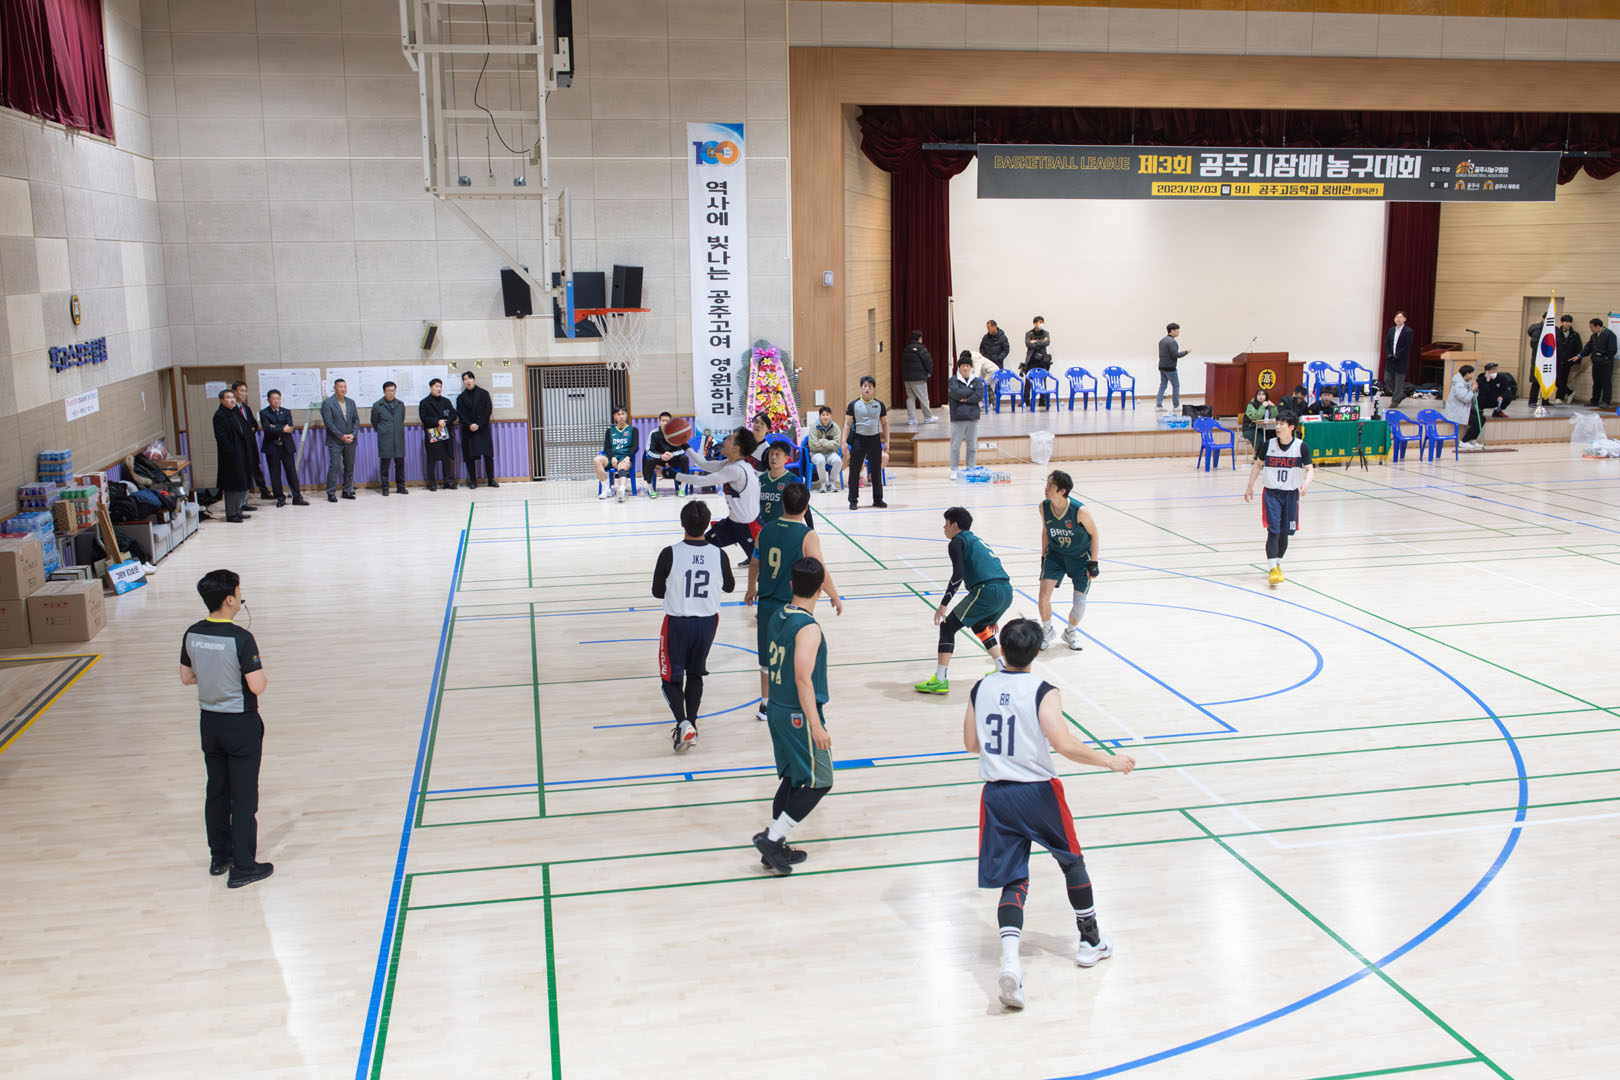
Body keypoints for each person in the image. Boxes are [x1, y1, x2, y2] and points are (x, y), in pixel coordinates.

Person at [964, 618, 1134, 1010]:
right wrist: (1108, 760)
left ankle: (1010, 965)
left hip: (996, 795)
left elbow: (971, 743)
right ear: (1035, 651)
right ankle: (1090, 940)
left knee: (1014, 879)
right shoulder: (1043, 691)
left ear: (1003, 647)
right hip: (1038, 792)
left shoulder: (980, 687)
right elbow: (1063, 743)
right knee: (1071, 861)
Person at [179, 569, 273, 888]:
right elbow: (256, 686)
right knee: (244, 797)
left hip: (210, 722)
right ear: (230, 599)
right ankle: (244, 866)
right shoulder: (241, 639)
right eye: (239, 591)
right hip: (240, 724)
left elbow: (186, 677)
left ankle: (220, 857)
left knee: (217, 791)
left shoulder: (192, 633)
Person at [753, 556, 835, 876]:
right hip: (797, 714)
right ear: (820, 588)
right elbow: (803, 679)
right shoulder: (809, 628)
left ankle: (775, 846)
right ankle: (772, 839)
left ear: (791, 584)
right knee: (820, 781)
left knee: (792, 779)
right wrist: (815, 724)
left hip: (776, 707)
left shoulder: (778, 614)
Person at [747, 482, 841, 726]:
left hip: (766, 604)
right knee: (797, 658)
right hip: (792, 606)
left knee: (767, 657)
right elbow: (820, 569)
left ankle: (765, 703)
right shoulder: (807, 535)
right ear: (806, 507)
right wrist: (834, 594)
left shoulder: (764, 531)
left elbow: (755, 563)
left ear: (782, 503)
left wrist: (750, 588)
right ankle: (795, 701)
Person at [652, 499, 732, 753]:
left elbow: (657, 592)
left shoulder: (670, 553)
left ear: (682, 523)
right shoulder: (719, 554)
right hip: (708, 622)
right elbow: (729, 586)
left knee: (670, 678)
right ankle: (692, 725)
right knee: (695, 674)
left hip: (678, 622)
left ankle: (683, 722)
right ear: (708, 524)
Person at [915, 507, 1013, 694]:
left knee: (947, 627)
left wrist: (943, 604)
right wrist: (993, 610)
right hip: (1005, 590)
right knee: (978, 624)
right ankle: (1001, 667)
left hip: (987, 590)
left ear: (955, 525)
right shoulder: (977, 540)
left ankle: (940, 679)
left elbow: (958, 575)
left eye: (946, 523)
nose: (944, 527)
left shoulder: (956, 542)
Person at [1244, 413, 1314, 588]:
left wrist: (1306, 484)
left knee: (1285, 533)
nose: (1277, 427)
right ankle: (1272, 569)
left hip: (1291, 495)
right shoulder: (1268, 445)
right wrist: (1250, 486)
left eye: (1282, 424)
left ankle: (1277, 563)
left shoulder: (1301, 447)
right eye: (1277, 423)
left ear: (1291, 427)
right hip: (1272, 494)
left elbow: (1310, 469)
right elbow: (1258, 465)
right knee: (1273, 530)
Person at [675, 426, 761, 566]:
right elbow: (703, 464)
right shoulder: (729, 463)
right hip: (732, 523)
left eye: (730, 439)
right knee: (704, 544)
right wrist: (686, 446)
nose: (725, 440)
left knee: (760, 568)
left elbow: (702, 481)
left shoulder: (736, 469)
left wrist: (674, 475)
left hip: (748, 527)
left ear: (736, 448)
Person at [1036, 471, 1100, 653]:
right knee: (1043, 597)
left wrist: (1094, 563)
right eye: (1047, 484)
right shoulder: (1043, 507)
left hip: (1080, 558)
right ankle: (1047, 631)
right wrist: (1043, 556)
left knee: (1079, 603)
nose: (1046, 488)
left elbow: (1094, 533)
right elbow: (1045, 530)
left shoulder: (1080, 511)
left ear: (1062, 490)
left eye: (1050, 485)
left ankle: (1070, 632)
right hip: (1055, 556)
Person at [845, 375, 888, 509]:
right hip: (859, 439)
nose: (867, 389)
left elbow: (885, 424)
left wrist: (887, 441)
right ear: (861, 388)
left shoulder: (879, 405)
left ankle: (878, 499)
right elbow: (847, 424)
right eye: (864, 386)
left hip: (874, 439)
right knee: (854, 470)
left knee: (876, 470)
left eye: (869, 386)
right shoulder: (853, 404)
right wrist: (843, 442)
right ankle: (853, 500)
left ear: (873, 389)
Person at [258, 389, 307, 507]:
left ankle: (297, 497)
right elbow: (267, 429)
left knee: (291, 473)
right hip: (272, 447)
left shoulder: (286, 411)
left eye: (278, 399)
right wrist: (282, 428)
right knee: (275, 474)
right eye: (273, 399)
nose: (276, 401)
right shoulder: (264, 413)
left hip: (286, 446)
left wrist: (275, 427)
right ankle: (280, 498)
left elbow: (290, 427)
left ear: (280, 400)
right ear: (268, 400)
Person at [213, 389, 255, 523]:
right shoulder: (220, 415)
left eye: (233, 397)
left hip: (242, 453)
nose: (232, 400)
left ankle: (238, 510)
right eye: (228, 398)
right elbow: (221, 438)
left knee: (242, 484)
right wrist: (232, 451)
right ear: (221, 400)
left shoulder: (235, 412)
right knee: (232, 486)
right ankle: (231, 514)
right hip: (230, 456)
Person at [757, 440, 814, 531]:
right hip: (762, 528)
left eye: (777, 454)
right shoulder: (760, 479)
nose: (773, 457)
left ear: (786, 459)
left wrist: (811, 529)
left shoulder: (793, 480)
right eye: (771, 454)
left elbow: (805, 505)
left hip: (784, 529)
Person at [231, 381, 272, 502]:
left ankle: (264, 491)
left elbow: (254, 423)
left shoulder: (245, 408)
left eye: (245, 391)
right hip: (240, 446)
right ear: (234, 392)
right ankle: (243, 500)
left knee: (256, 468)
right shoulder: (232, 409)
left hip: (250, 443)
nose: (244, 394)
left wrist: (253, 428)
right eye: (241, 391)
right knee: (243, 472)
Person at [320, 378, 360, 502]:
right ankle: (331, 493)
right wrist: (341, 436)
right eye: (340, 387)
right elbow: (329, 423)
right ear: (335, 388)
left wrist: (353, 434)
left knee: (349, 466)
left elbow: (356, 420)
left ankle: (347, 491)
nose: (343, 389)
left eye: (345, 387)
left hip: (350, 440)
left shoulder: (351, 402)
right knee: (334, 466)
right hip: (335, 441)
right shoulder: (328, 403)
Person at [456, 371, 497, 487]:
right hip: (468, 430)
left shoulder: (484, 393)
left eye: (469, 378)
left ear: (474, 379)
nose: (468, 381)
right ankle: (473, 481)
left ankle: (491, 479)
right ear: (463, 382)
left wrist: (478, 424)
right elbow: (461, 414)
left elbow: (488, 410)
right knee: (470, 457)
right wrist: (470, 425)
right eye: (465, 379)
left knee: (488, 456)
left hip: (482, 429)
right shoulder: (461, 398)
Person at [948, 353, 985, 479]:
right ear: (959, 367)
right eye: (963, 366)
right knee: (955, 446)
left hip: (973, 417)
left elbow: (979, 395)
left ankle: (971, 467)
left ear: (971, 367)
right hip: (957, 417)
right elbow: (956, 393)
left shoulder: (977, 381)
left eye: (967, 366)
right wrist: (971, 392)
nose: (965, 368)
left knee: (972, 446)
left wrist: (966, 399)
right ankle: (954, 469)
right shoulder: (953, 380)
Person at [418, 378, 457, 491]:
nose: (439, 389)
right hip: (433, 432)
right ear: (431, 388)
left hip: (445, 430)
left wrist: (445, 423)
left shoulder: (446, 401)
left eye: (440, 387)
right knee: (432, 458)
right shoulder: (424, 402)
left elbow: (454, 414)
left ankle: (447, 481)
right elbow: (424, 418)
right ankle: (431, 483)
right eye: (436, 386)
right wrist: (437, 422)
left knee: (447, 458)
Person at [595, 405, 639, 502]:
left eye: (623, 414)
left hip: (625, 457)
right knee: (597, 460)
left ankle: (621, 490)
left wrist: (628, 457)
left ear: (626, 415)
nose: (621, 416)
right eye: (618, 414)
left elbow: (635, 447)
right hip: (611, 457)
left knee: (622, 466)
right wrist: (612, 457)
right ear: (614, 416)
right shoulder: (609, 431)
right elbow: (606, 448)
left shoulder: (633, 430)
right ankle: (606, 489)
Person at [642, 411, 691, 499]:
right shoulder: (653, 433)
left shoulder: (676, 433)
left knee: (684, 458)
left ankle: (682, 488)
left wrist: (672, 454)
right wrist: (661, 456)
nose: (665, 423)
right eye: (663, 421)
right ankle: (651, 490)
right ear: (659, 421)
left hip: (673, 459)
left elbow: (683, 449)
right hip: (659, 459)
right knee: (649, 460)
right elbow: (649, 450)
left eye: (667, 421)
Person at [372, 381, 409, 496]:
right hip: (385, 439)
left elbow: (401, 419)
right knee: (385, 465)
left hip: (398, 438)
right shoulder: (377, 405)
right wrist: (383, 431)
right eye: (389, 391)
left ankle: (401, 486)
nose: (391, 393)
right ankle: (385, 487)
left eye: (393, 391)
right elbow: (374, 422)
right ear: (384, 392)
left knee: (400, 464)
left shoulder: (400, 404)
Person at [900, 330, 937, 425]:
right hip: (919, 378)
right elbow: (929, 361)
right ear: (920, 338)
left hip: (907, 378)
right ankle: (928, 417)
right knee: (923, 398)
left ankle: (912, 419)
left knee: (910, 398)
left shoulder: (906, 349)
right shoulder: (921, 349)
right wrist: (929, 372)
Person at [805, 406, 843, 494]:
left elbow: (836, 444)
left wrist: (822, 441)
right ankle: (823, 484)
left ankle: (831, 484)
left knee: (838, 461)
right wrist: (829, 444)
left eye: (827, 415)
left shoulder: (835, 427)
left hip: (831, 453)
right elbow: (813, 445)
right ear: (819, 416)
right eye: (823, 415)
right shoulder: (813, 427)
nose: (825, 417)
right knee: (820, 460)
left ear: (830, 416)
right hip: (816, 453)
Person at [1444, 363, 1483, 449]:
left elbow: (1473, 396)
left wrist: (1475, 390)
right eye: (1472, 373)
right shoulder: (1458, 385)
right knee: (1477, 421)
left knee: (1482, 418)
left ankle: (1471, 439)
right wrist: (1472, 390)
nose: (1473, 375)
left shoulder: (1465, 383)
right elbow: (1465, 399)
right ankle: (1464, 441)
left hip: (1464, 409)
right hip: (1457, 411)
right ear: (1467, 374)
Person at [1550, 314, 1584, 405]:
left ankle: (1559, 397)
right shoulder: (1555, 333)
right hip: (1556, 360)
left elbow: (1578, 348)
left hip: (1567, 361)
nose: (1568, 324)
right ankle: (1569, 392)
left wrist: (1576, 360)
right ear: (1561, 322)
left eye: (1569, 322)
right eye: (1566, 322)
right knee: (1556, 379)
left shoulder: (1575, 335)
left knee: (1563, 379)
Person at [1583, 317, 1617, 407]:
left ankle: (1606, 401)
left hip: (1606, 364)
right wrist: (1580, 355)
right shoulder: (1594, 336)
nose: (1591, 329)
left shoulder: (1610, 335)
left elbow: (1613, 350)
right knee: (1596, 383)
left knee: (1606, 383)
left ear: (1598, 326)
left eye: (1592, 327)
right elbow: (1588, 348)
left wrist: (1602, 354)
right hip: (1596, 363)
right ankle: (1595, 400)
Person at [1384, 311, 1414, 406]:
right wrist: (1389, 354)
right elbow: (1386, 343)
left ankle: (1395, 401)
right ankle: (1400, 394)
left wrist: (1397, 354)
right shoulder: (1391, 330)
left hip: (1401, 360)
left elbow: (1407, 346)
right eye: (1397, 317)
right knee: (1387, 379)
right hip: (1391, 359)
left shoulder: (1408, 331)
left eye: (1401, 317)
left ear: (1404, 319)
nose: (1398, 319)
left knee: (1398, 382)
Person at [1156, 322, 1188, 411]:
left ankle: (1158, 405)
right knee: (1176, 385)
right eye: (1177, 330)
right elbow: (1175, 355)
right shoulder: (1172, 342)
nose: (1178, 332)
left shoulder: (1162, 341)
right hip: (1170, 367)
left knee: (1163, 385)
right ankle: (1176, 405)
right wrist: (1186, 352)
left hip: (1162, 366)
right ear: (1172, 331)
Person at [1022, 316, 1051, 407]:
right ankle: (1026, 400)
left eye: (1042, 322)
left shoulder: (1046, 333)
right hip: (1032, 360)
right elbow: (1028, 344)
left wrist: (1035, 341)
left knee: (1043, 379)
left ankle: (1042, 400)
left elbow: (1047, 343)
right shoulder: (1029, 333)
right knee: (1028, 380)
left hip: (1042, 360)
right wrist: (1041, 342)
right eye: (1039, 322)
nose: (1041, 324)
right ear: (1034, 323)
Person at [1242, 389, 1277, 455]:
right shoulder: (1251, 405)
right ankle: (1259, 455)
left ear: (1266, 396)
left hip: (1262, 428)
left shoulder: (1267, 405)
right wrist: (1263, 406)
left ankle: (1271, 455)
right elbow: (1256, 418)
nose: (1261, 396)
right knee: (1260, 439)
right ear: (1256, 396)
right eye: (1259, 394)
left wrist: (1273, 407)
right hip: (1250, 429)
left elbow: (1274, 416)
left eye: (1263, 394)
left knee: (1273, 435)